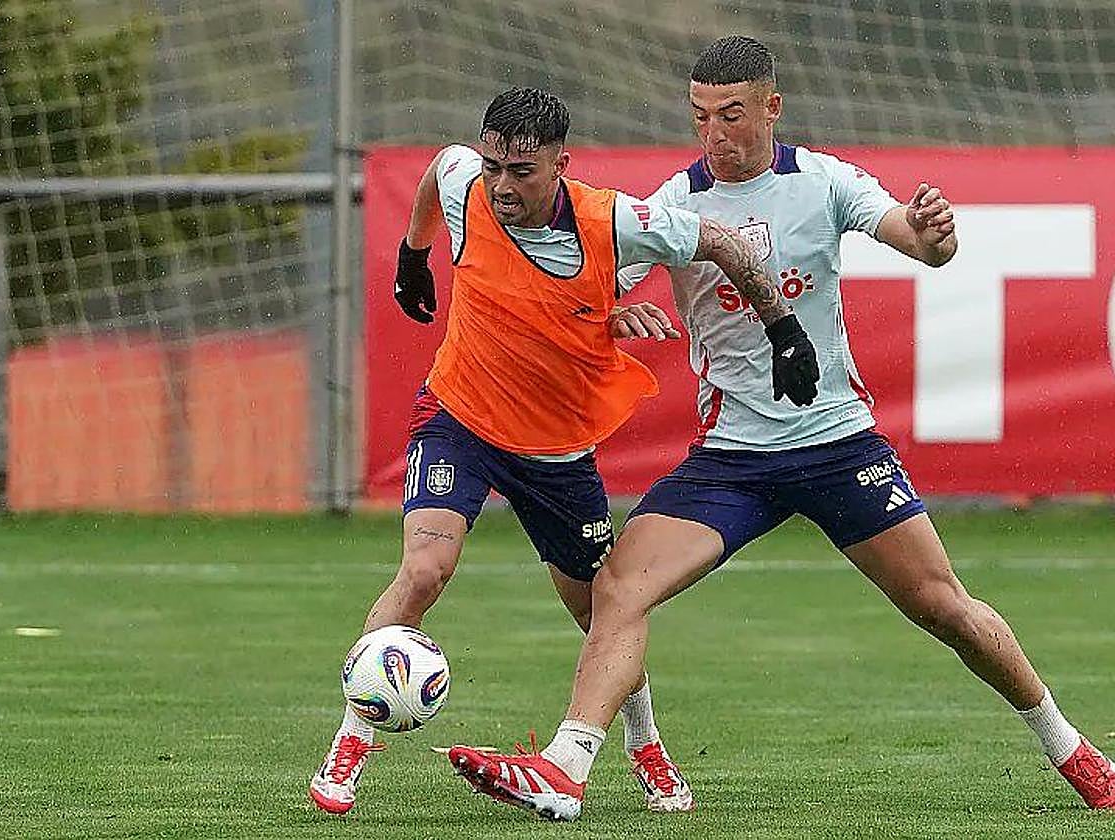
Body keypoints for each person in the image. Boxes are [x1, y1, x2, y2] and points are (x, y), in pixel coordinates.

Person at [447, 37, 1115, 821]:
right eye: (700, 117)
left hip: (837, 445)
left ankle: (1073, 750)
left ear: (772, 107)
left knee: (944, 607)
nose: (714, 134)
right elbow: (591, 288)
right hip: (731, 460)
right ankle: (567, 767)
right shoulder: (673, 205)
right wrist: (614, 313)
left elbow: (918, 242)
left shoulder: (824, 180)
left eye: (731, 114)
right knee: (618, 587)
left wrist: (936, 234)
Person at [309, 85, 821, 816]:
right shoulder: (465, 185)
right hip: (460, 417)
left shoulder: (616, 220)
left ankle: (645, 746)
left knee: (601, 613)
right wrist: (413, 254)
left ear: (561, 164)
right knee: (425, 569)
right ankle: (352, 740)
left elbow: (723, 245)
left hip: (556, 450)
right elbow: (436, 172)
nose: (501, 185)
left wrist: (783, 330)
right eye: (494, 167)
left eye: (521, 171)